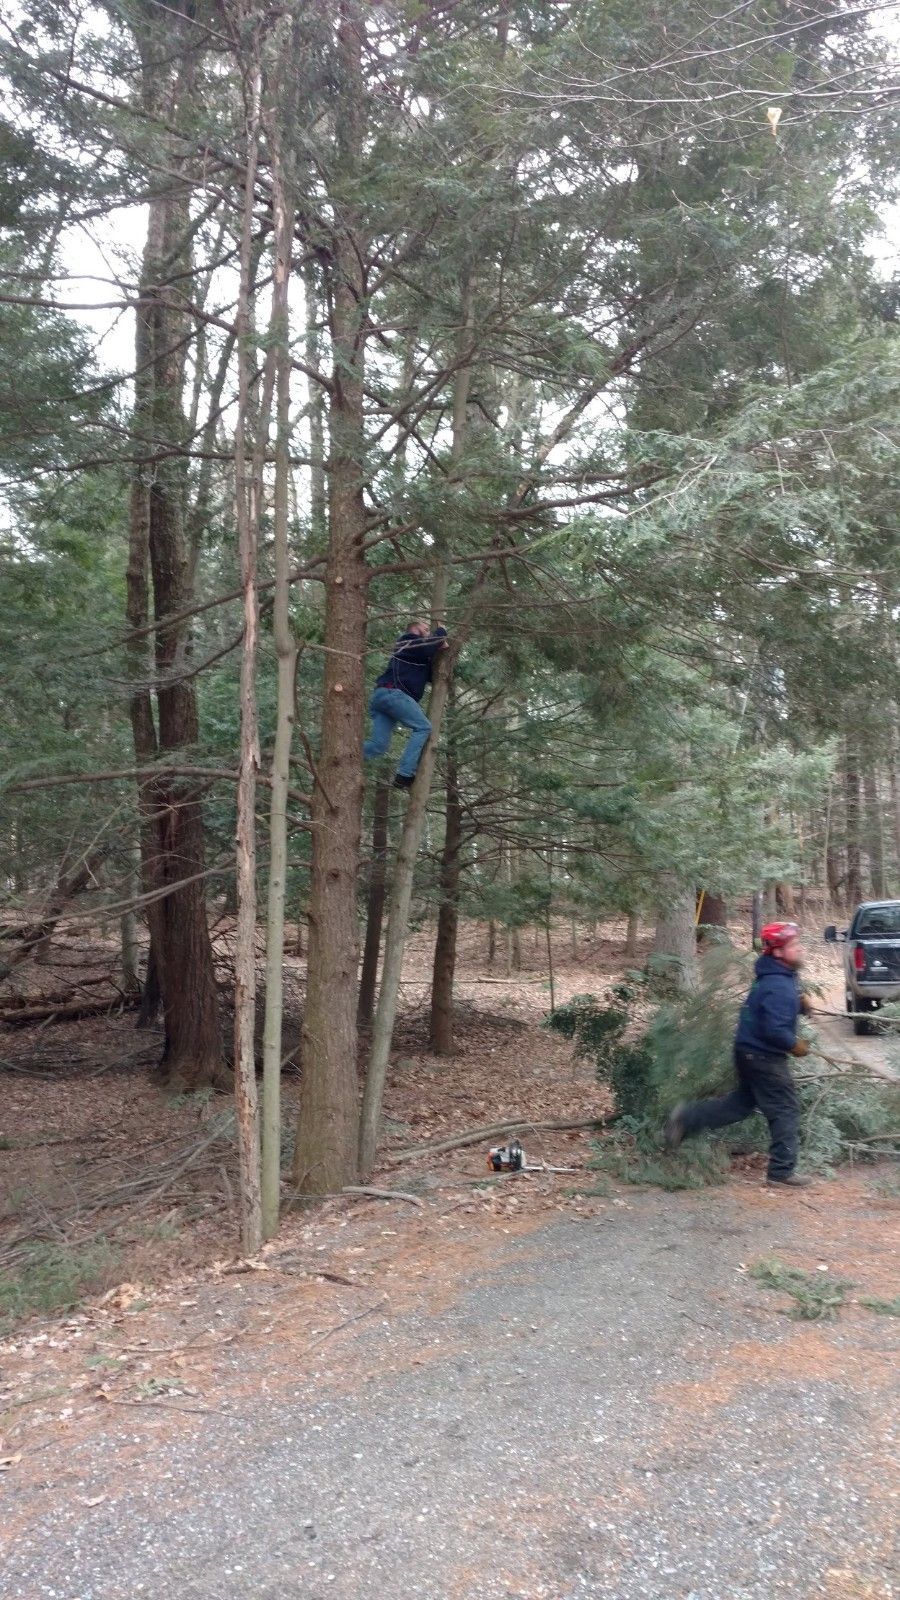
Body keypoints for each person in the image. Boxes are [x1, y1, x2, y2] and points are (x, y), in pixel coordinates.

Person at [663, 921, 813, 1188]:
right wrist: (795, 1045)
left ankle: (686, 1117)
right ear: (778, 952)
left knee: (740, 1105)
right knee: (785, 1110)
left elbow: (767, 1010)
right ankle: (781, 1172)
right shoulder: (778, 984)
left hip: (747, 1052)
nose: (800, 949)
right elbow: (774, 1029)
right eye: (794, 945)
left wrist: (798, 1004)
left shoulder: (774, 975)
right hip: (765, 1057)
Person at [362, 619, 449, 790]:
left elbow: (431, 672)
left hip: (383, 697)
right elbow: (426, 647)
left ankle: (345, 756)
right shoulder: (407, 640)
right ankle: (405, 775)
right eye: (425, 628)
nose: (428, 631)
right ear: (415, 628)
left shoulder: (415, 654)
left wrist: (440, 649)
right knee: (423, 727)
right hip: (393, 694)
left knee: (379, 746)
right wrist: (441, 632)